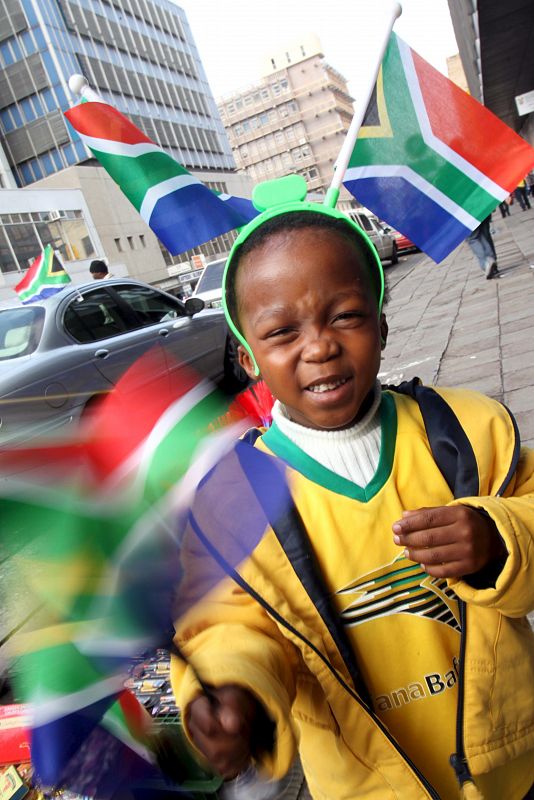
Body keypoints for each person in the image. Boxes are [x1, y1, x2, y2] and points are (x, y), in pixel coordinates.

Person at [172, 176, 534, 800]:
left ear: (383, 326)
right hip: (367, 785)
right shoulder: (231, 499)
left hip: (511, 762)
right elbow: (227, 625)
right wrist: (232, 690)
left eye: (346, 315)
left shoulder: (469, 431)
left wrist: (498, 537)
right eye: (282, 332)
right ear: (248, 355)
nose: (319, 346)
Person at [466, 214, 499, 279]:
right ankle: (492, 260)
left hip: (466, 213)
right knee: (484, 234)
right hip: (483, 209)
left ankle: (486, 262)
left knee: (472, 238)